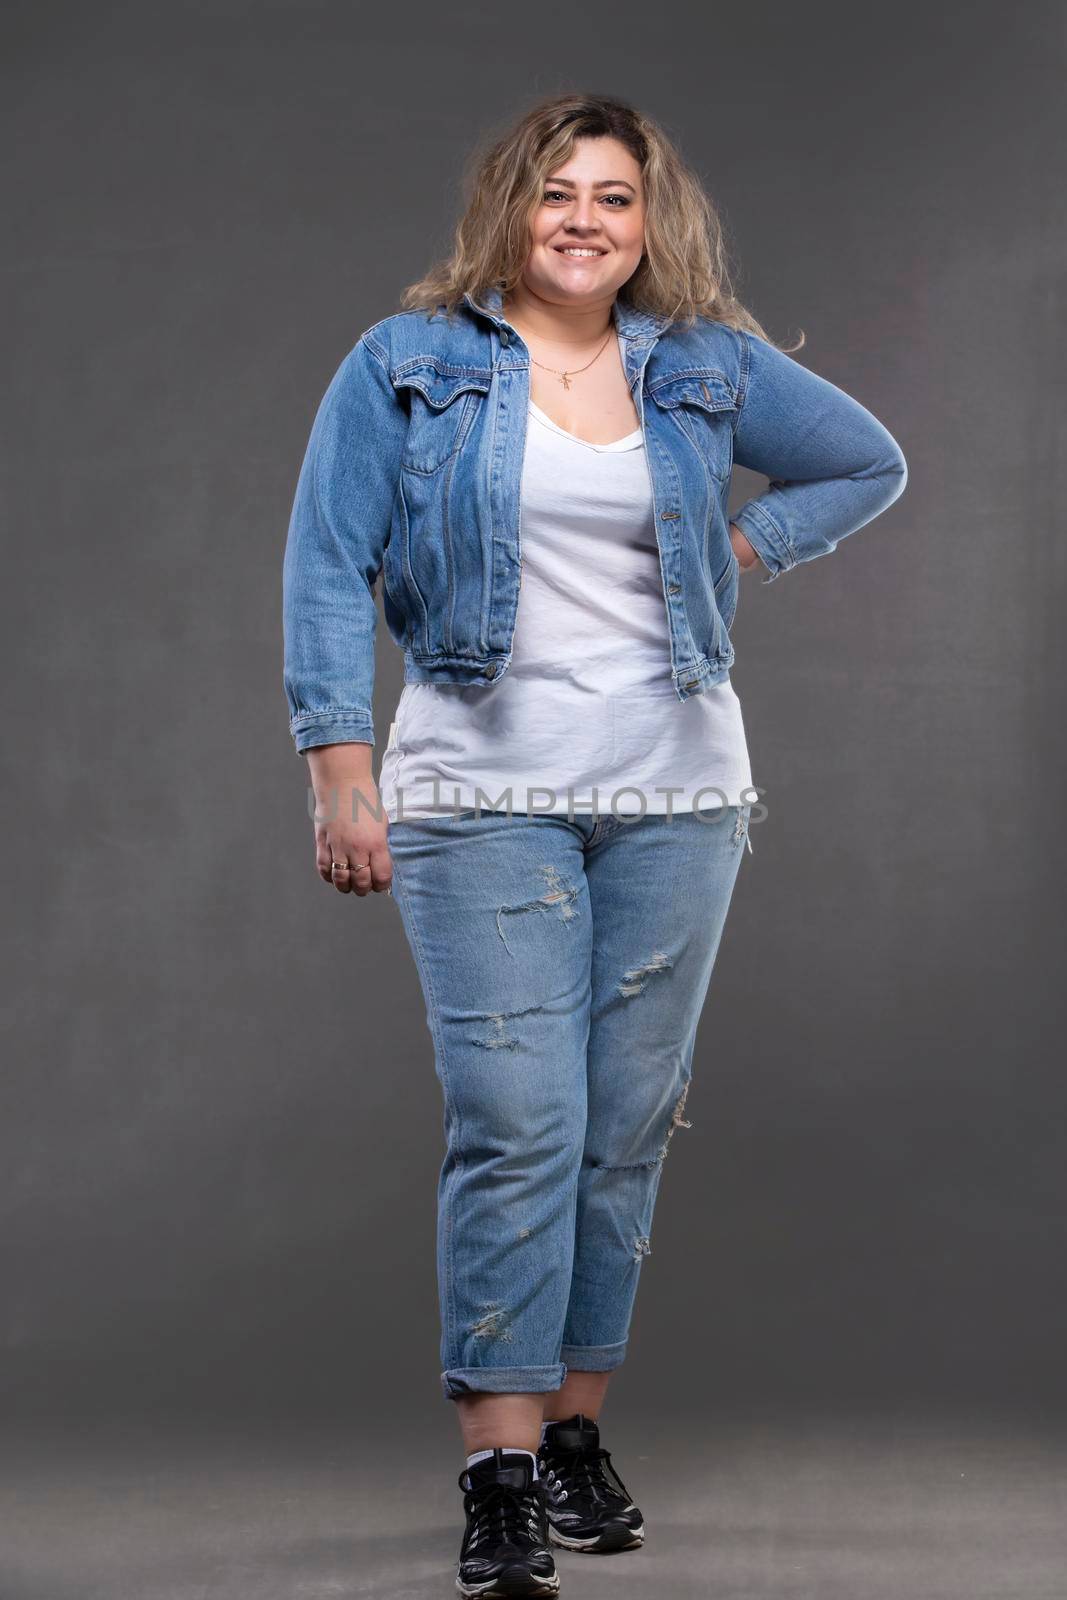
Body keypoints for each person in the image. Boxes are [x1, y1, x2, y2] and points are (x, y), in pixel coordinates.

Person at [282, 92, 907, 1599]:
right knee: (519, 1122)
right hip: (474, 796)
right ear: (511, 208)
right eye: (558, 193)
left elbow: (865, 462)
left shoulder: (699, 368)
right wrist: (337, 768)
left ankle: (571, 1436)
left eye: (614, 198)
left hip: (680, 796)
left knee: (623, 1130)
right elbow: (324, 559)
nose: (584, 220)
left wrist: (735, 552)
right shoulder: (412, 361)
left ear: (649, 222)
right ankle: (495, 1468)